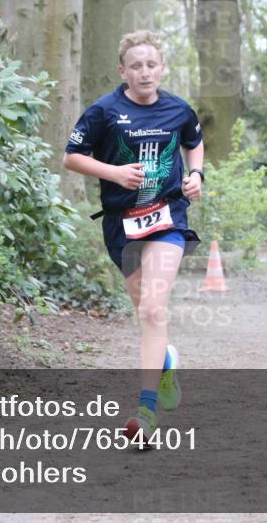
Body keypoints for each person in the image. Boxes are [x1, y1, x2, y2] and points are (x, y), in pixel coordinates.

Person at [62, 30, 204, 442]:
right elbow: (71, 157)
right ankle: (166, 361)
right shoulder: (104, 111)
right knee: (146, 310)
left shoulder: (178, 109)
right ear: (122, 71)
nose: (144, 72)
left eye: (151, 65)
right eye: (136, 66)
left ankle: (145, 412)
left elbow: (194, 142)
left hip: (167, 218)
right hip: (121, 224)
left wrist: (196, 174)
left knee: (153, 310)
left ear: (163, 69)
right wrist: (114, 172)